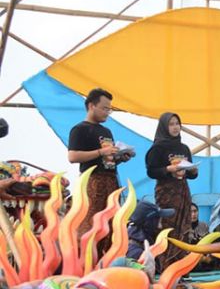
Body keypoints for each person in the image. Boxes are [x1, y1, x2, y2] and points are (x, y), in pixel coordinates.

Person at [68, 88, 133, 246]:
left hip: (111, 182)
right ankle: (88, 261)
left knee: (111, 224)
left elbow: (105, 159)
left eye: (109, 109)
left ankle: (108, 260)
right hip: (93, 182)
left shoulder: (106, 131)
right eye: (105, 108)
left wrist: (120, 158)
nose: (107, 112)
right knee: (92, 222)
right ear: (91, 106)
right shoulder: (79, 129)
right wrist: (100, 151)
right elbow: (73, 156)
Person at [145, 112, 198, 267]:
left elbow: (190, 173)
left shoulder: (184, 148)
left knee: (184, 227)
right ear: (163, 127)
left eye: (177, 124)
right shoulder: (157, 148)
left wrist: (193, 171)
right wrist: (169, 168)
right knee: (168, 228)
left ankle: (181, 268)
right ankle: (167, 267)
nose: (175, 127)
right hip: (166, 193)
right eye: (171, 124)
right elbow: (151, 171)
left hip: (183, 191)